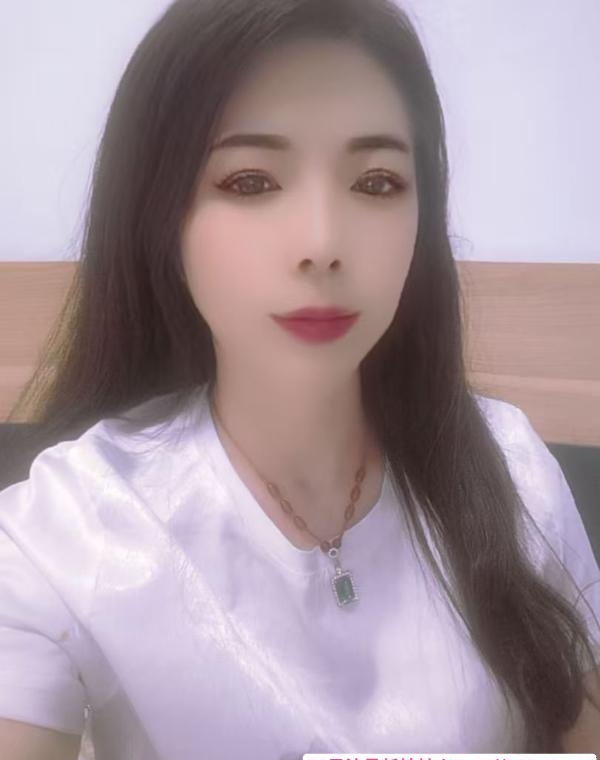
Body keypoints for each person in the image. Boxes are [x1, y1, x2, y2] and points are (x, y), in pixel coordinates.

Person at [0, 0, 599, 757]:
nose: (321, 242)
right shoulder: (69, 530)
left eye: (376, 182)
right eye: (251, 181)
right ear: (160, 218)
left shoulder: (511, 471)